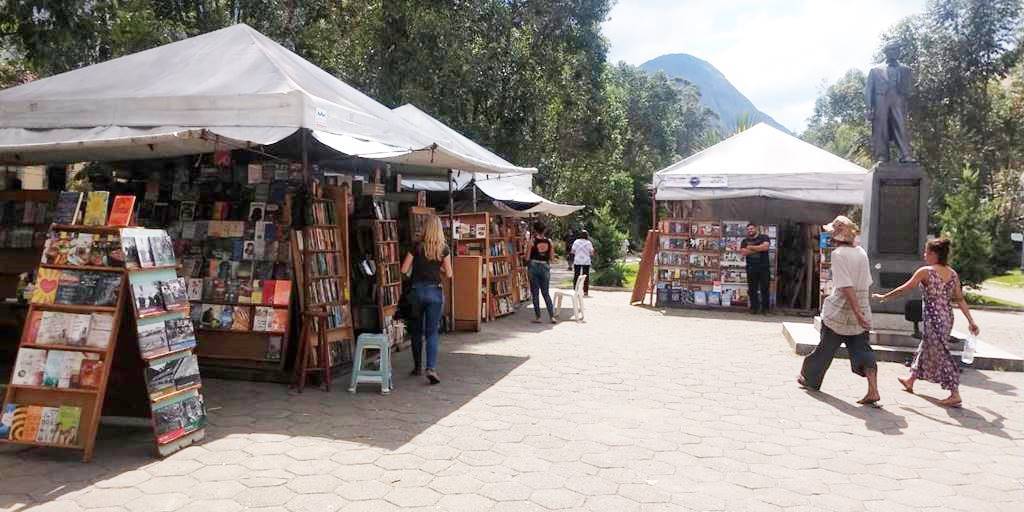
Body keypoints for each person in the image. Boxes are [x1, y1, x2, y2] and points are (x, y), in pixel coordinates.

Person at [873, 238, 978, 408]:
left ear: (934, 254)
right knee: (927, 346)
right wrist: (971, 321)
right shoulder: (952, 273)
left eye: (926, 252)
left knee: (941, 353)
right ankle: (911, 379)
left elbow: (905, 288)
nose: (924, 255)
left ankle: (955, 393)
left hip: (934, 319)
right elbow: (960, 299)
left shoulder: (926, 271)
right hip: (947, 317)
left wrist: (884, 297)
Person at [799, 216, 880, 405]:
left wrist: (857, 313)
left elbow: (845, 286)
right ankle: (873, 389)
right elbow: (866, 283)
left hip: (841, 309)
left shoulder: (838, 255)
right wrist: (861, 312)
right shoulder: (861, 252)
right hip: (861, 304)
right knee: (862, 349)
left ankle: (810, 379)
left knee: (825, 349)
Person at [400, 215, 452, 385]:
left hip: (416, 292)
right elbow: (449, 273)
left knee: (416, 331)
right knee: (432, 333)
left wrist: (415, 273)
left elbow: (404, 269)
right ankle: (431, 368)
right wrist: (438, 270)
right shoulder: (443, 249)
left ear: (425, 228)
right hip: (434, 293)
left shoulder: (416, 246)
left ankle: (417, 367)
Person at [528, 222, 557, 323]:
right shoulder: (549, 241)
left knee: (535, 293)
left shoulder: (532, 241)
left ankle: (538, 317)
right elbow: (552, 258)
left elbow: (527, 257)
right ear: (544, 230)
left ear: (535, 230)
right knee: (546, 293)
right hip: (545, 267)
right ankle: (552, 316)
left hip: (534, 266)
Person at [740, 223, 771, 314]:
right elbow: (743, 253)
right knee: (752, 289)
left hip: (764, 268)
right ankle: (754, 308)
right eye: (748, 229)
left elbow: (765, 247)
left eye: (752, 229)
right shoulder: (744, 241)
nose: (750, 230)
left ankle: (765, 309)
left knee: (764, 288)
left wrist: (751, 248)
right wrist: (758, 248)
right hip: (751, 268)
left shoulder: (764, 237)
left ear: (756, 229)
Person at [570, 230, 595, 297]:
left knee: (576, 275)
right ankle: (585, 291)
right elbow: (592, 252)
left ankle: (575, 290)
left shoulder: (576, 241)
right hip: (586, 261)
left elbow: (572, 251)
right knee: (586, 276)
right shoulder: (588, 242)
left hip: (577, 260)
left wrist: (578, 253)